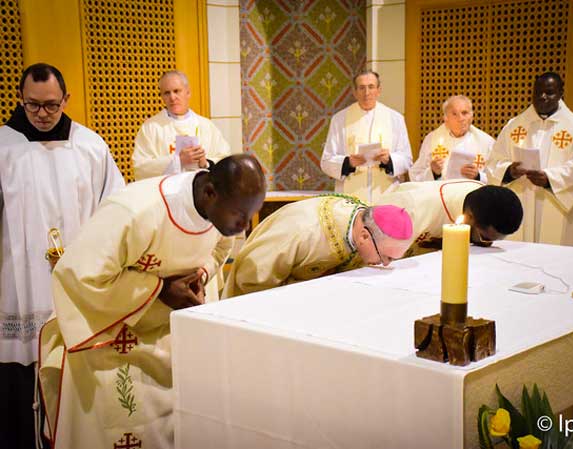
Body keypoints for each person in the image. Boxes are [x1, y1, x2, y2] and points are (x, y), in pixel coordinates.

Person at [38, 154, 266, 449]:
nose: (243, 227)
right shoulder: (135, 211)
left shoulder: (223, 212)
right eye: (240, 216)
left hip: (166, 339)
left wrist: (201, 274)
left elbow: (220, 248)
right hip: (110, 338)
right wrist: (159, 289)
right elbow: (79, 276)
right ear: (210, 192)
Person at [0, 63, 124, 449]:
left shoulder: (90, 146)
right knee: (20, 382)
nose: (42, 113)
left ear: (66, 100)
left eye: (51, 105)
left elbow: (115, 211)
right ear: (20, 100)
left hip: (78, 283)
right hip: (16, 285)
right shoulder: (3, 146)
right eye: (32, 105)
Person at [486, 72, 573, 247]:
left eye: (549, 92)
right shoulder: (514, 125)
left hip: (558, 207)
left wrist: (550, 179)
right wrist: (508, 171)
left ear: (561, 93)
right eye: (538, 92)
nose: (542, 97)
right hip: (521, 200)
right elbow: (494, 161)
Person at [222, 196, 413, 298]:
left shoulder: (362, 221)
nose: (385, 264)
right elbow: (251, 278)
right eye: (386, 257)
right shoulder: (302, 232)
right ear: (364, 236)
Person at [320, 69, 412, 204]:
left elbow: (407, 159)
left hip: (386, 194)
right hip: (350, 195)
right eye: (362, 88)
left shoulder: (395, 119)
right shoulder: (339, 119)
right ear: (354, 92)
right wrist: (349, 163)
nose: (367, 93)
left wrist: (389, 160)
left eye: (371, 87)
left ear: (379, 90)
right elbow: (326, 161)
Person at [377, 179, 523, 257]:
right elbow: (377, 251)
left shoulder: (482, 197)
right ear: (469, 217)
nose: (488, 245)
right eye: (485, 238)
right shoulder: (410, 207)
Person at [132, 70, 231, 180]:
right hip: (166, 190)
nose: (172, 97)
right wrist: (177, 160)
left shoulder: (206, 126)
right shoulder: (151, 127)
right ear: (162, 96)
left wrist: (206, 163)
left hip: (200, 189)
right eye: (167, 93)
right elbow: (140, 168)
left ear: (188, 93)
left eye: (176, 91)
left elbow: (225, 160)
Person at [409, 95, 495, 182]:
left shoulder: (486, 142)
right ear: (446, 118)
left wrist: (478, 176)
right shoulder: (431, 139)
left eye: (464, 113)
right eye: (454, 114)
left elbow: (496, 177)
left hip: (473, 189)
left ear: (471, 116)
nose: (461, 118)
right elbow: (416, 174)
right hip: (441, 189)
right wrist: (433, 173)